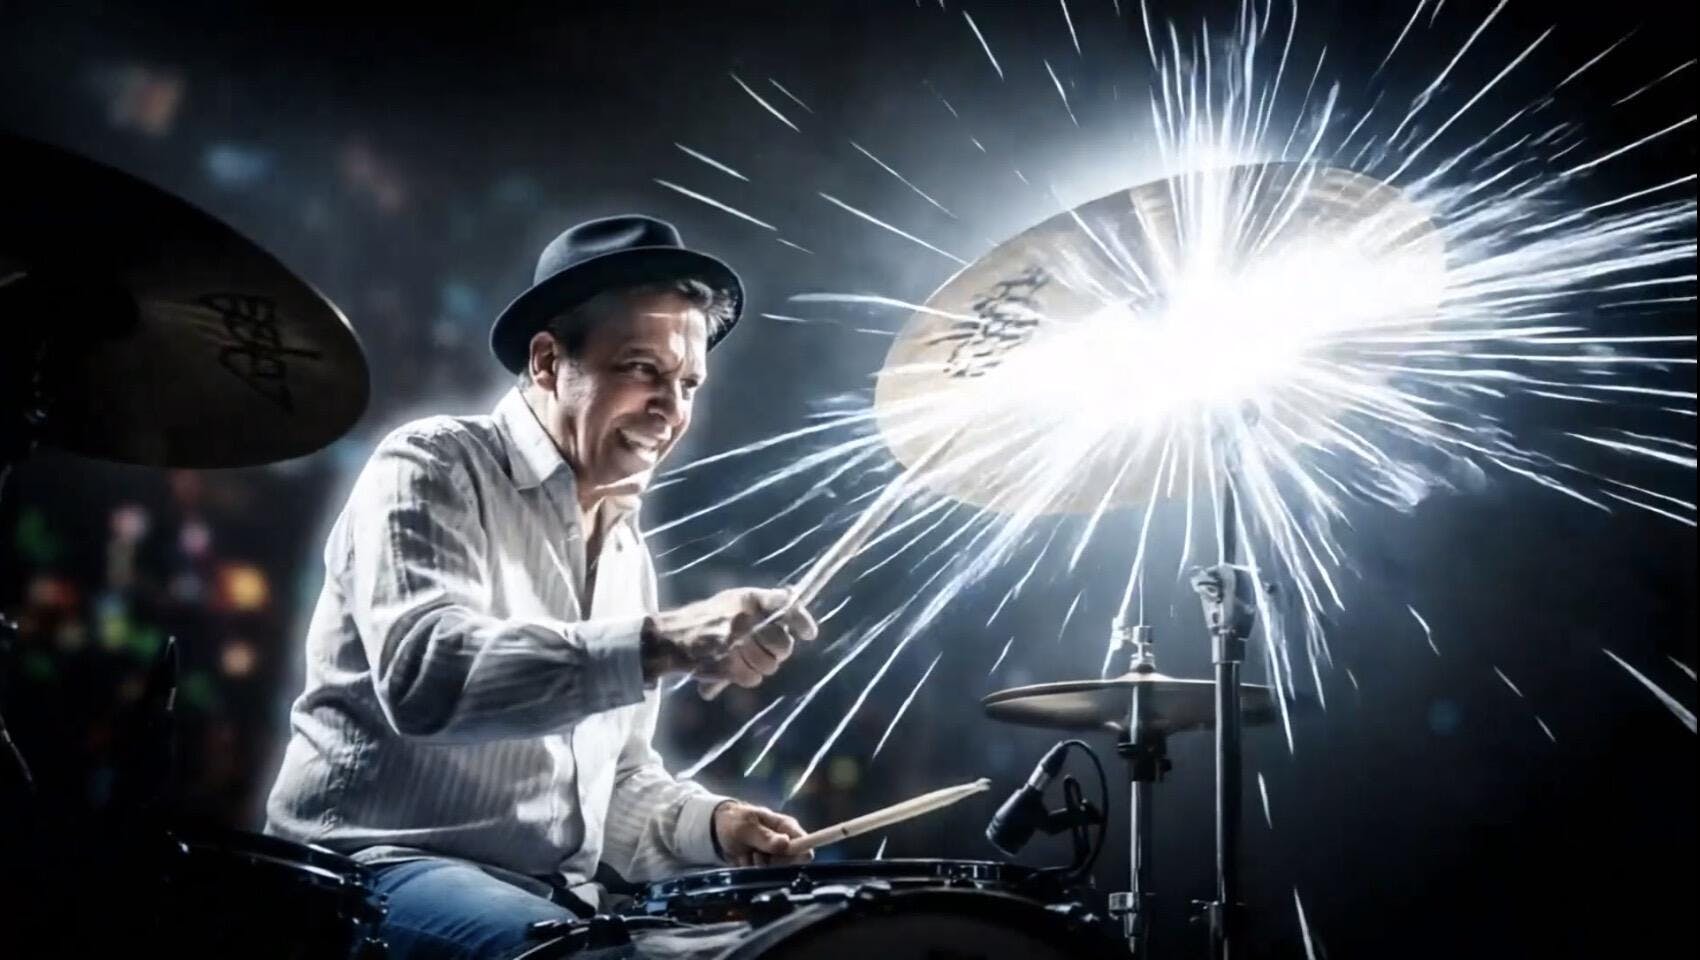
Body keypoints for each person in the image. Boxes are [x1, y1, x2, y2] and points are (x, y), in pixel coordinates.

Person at [264, 215, 817, 959]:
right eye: (643, 369)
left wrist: (713, 825)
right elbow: (429, 675)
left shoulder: (625, 551)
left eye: (687, 383)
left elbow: (603, 785)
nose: (671, 408)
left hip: (544, 900)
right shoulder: (430, 465)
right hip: (367, 877)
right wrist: (664, 640)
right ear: (550, 361)